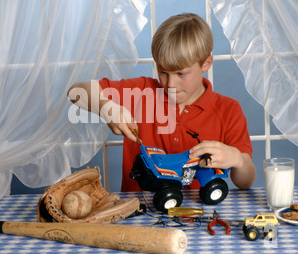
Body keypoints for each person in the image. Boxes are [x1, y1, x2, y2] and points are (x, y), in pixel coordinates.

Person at [68, 13, 256, 192]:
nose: (171, 84)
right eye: (163, 72)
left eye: (181, 73)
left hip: (201, 215)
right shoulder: (141, 92)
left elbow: (245, 182)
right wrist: (106, 107)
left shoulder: (228, 110)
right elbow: (76, 91)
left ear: (205, 64)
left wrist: (238, 159)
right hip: (139, 215)